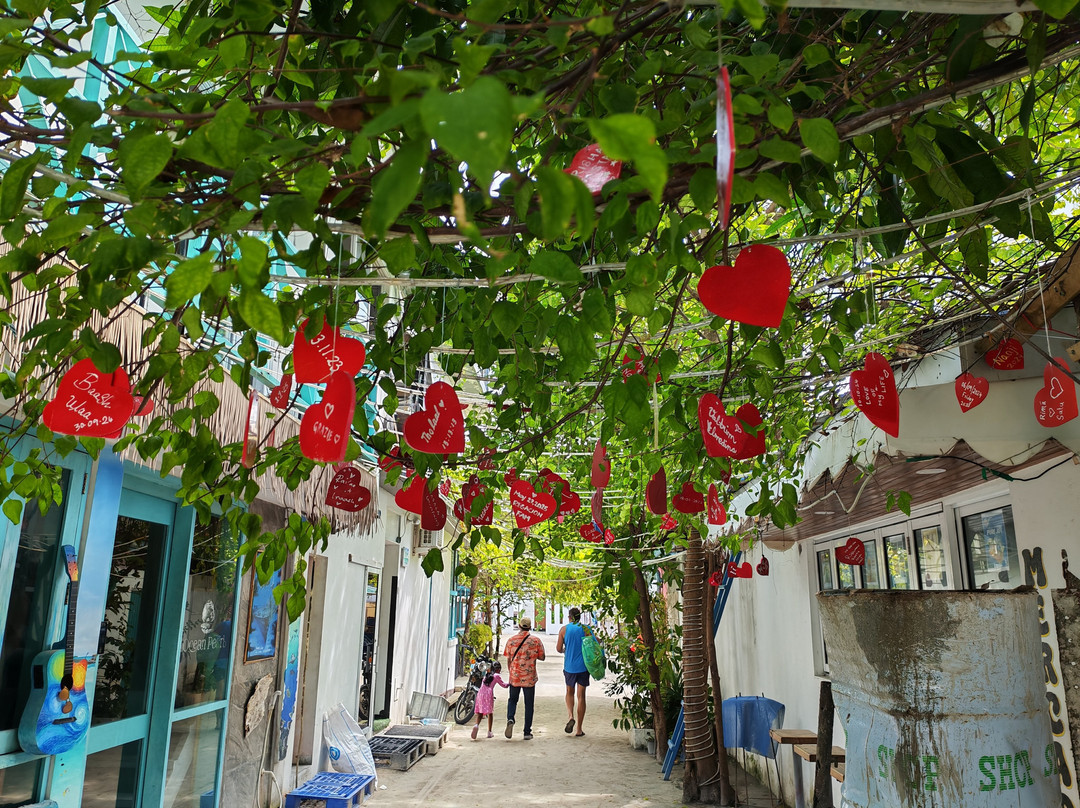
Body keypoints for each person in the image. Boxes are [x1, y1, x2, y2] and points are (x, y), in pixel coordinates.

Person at [501, 616, 545, 740]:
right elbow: (542, 657)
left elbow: (508, 658)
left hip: (514, 676)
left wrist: (511, 671)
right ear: (530, 627)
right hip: (529, 677)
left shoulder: (511, 640)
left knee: (512, 700)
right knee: (529, 704)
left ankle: (510, 718)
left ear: (519, 626)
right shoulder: (535, 640)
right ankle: (527, 732)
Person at [557, 607, 589, 737]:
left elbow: (559, 649)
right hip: (583, 667)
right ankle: (579, 729)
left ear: (569, 617)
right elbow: (596, 642)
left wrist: (567, 649)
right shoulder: (586, 629)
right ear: (579, 617)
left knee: (569, 692)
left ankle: (570, 716)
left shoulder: (564, 629)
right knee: (581, 696)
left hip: (569, 666)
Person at [471, 661, 508, 740]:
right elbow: (504, 685)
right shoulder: (496, 676)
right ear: (498, 669)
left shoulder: (486, 675)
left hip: (480, 693)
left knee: (480, 712)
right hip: (488, 694)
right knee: (490, 713)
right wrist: (510, 683)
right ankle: (489, 732)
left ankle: (476, 725)